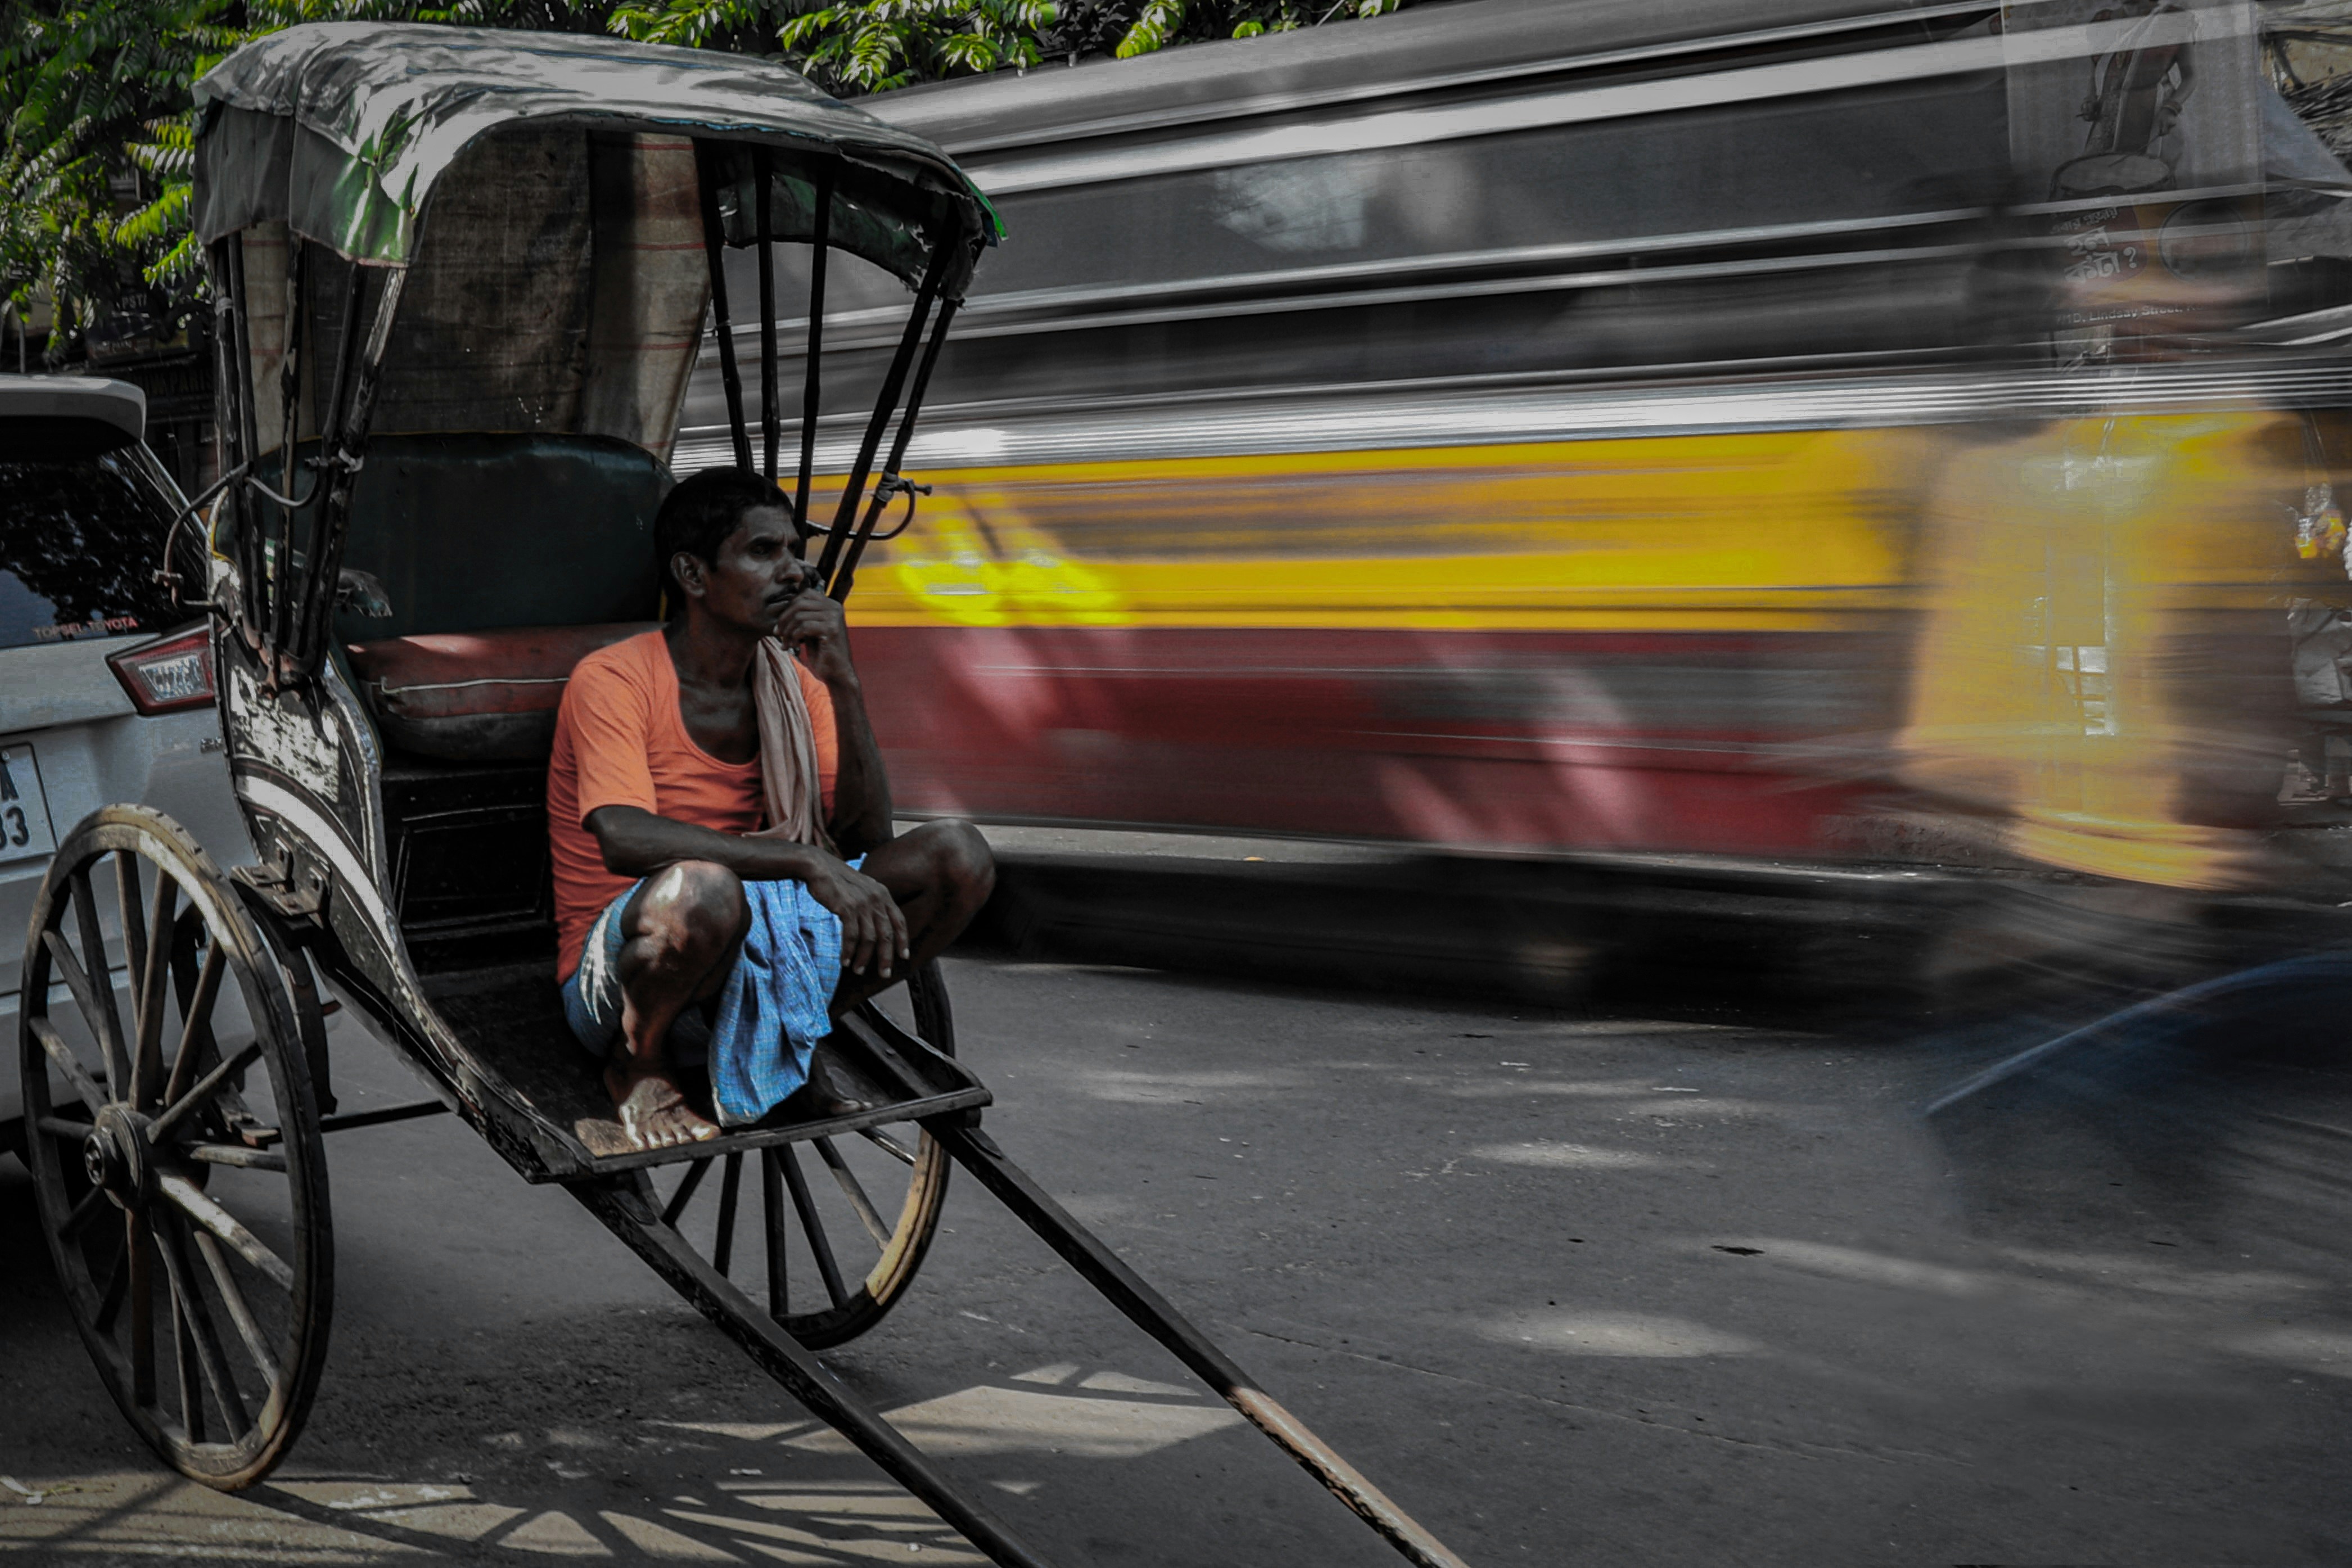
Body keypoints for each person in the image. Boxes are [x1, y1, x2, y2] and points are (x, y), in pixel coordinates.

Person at [547, 468, 995, 1151]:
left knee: (959, 855)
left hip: (770, 941)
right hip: (627, 972)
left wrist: (843, 682)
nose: (793, 572)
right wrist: (802, 859)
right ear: (693, 575)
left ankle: (794, 1026)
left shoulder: (797, 682)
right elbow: (623, 836)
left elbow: (866, 837)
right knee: (704, 889)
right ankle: (638, 1065)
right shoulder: (614, 678)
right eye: (763, 552)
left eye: (793, 550)